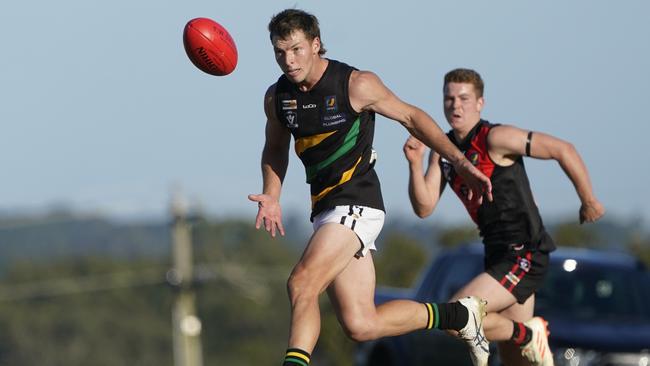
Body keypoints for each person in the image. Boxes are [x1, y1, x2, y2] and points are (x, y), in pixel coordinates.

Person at [248, 9, 495, 366]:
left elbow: (412, 117)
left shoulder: (355, 84)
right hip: (325, 210)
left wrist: (460, 162)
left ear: (316, 45)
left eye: (297, 49)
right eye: (280, 52)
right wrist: (271, 193)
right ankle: (459, 316)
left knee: (302, 283)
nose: (289, 60)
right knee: (361, 324)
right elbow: (274, 149)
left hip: (357, 204)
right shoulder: (278, 97)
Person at [403, 68, 605, 366]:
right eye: (449, 99)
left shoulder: (496, 138)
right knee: (514, 360)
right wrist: (414, 163)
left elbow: (563, 149)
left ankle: (527, 332)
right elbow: (424, 207)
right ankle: (523, 334)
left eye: (463, 98)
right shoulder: (443, 151)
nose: (455, 106)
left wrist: (588, 199)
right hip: (497, 254)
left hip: (524, 253)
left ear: (480, 103)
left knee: (454, 315)